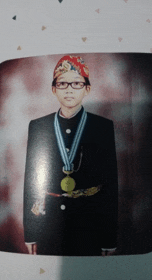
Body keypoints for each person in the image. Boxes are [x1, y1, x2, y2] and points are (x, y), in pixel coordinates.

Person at [23, 55, 118, 256]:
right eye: (62, 83)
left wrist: (109, 238)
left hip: (90, 224)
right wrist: (31, 232)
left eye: (76, 83)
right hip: (50, 225)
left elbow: (110, 184)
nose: (69, 89)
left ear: (87, 89)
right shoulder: (38, 126)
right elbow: (31, 181)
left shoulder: (102, 127)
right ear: (53, 89)